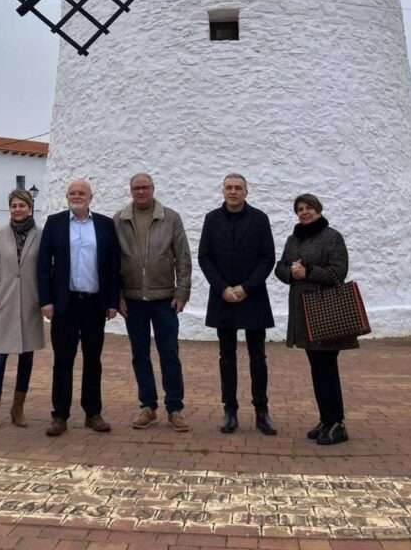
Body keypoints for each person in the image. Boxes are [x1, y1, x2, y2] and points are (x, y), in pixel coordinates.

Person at [37, 178, 120, 437]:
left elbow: (113, 265)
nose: (76, 196)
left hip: (94, 303)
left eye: (81, 192)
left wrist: (112, 302)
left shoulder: (106, 225)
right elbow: (42, 265)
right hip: (65, 303)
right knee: (63, 360)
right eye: (72, 193)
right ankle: (60, 415)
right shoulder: (55, 223)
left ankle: (92, 412)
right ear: (67, 197)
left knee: (93, 360)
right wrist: (46, 300)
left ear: (90, 197)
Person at [198, 173, 278, 436]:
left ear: (246, 191)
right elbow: (204, 257)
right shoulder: (212, 219)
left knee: (258, 358)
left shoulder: (260, 219)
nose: (233, 192)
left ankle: (261, 412)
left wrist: (246, 287)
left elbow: (267, 258)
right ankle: (230, 411)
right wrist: (222, 288)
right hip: (223, 297)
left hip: (252, 296)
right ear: (223, 190)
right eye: (229, 188)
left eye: (238, 188)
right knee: (226, 358)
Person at [275, 193, 357, 445]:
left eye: (309, 207)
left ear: (318, 210)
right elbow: (280, 267)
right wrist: (291, 272)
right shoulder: (293, 239)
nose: (304, 212)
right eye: (300, 208)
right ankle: (326, 419)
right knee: (317, 368)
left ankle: (337, 423)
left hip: (324, 311)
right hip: (302, 311)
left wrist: (307, 271)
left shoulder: (332, 237)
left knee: (327, 369)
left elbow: (337, 273)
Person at [114, 172, 192, 432]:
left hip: (164, 299)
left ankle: (175, 408)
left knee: (169, 353)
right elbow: (111, 261)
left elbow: (182, 257)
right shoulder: (120, 220)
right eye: (136, 188)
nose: (141, 192)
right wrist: (118, 295)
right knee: (140, 355)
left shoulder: (170, 218)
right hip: (133, 300)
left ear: (153, 189)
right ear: (131, 190)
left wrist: (182, 292)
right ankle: (148, 406)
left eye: (145, 187)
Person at [0, 188, 44, 432]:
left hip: (30, 303)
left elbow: (46, 269)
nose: (18, 210)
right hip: (5, 303)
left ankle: (18, 408)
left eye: (22, 205)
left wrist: (42, 297)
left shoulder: (40, 235)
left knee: (26, 357)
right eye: (14, 206)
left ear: (30, 208)